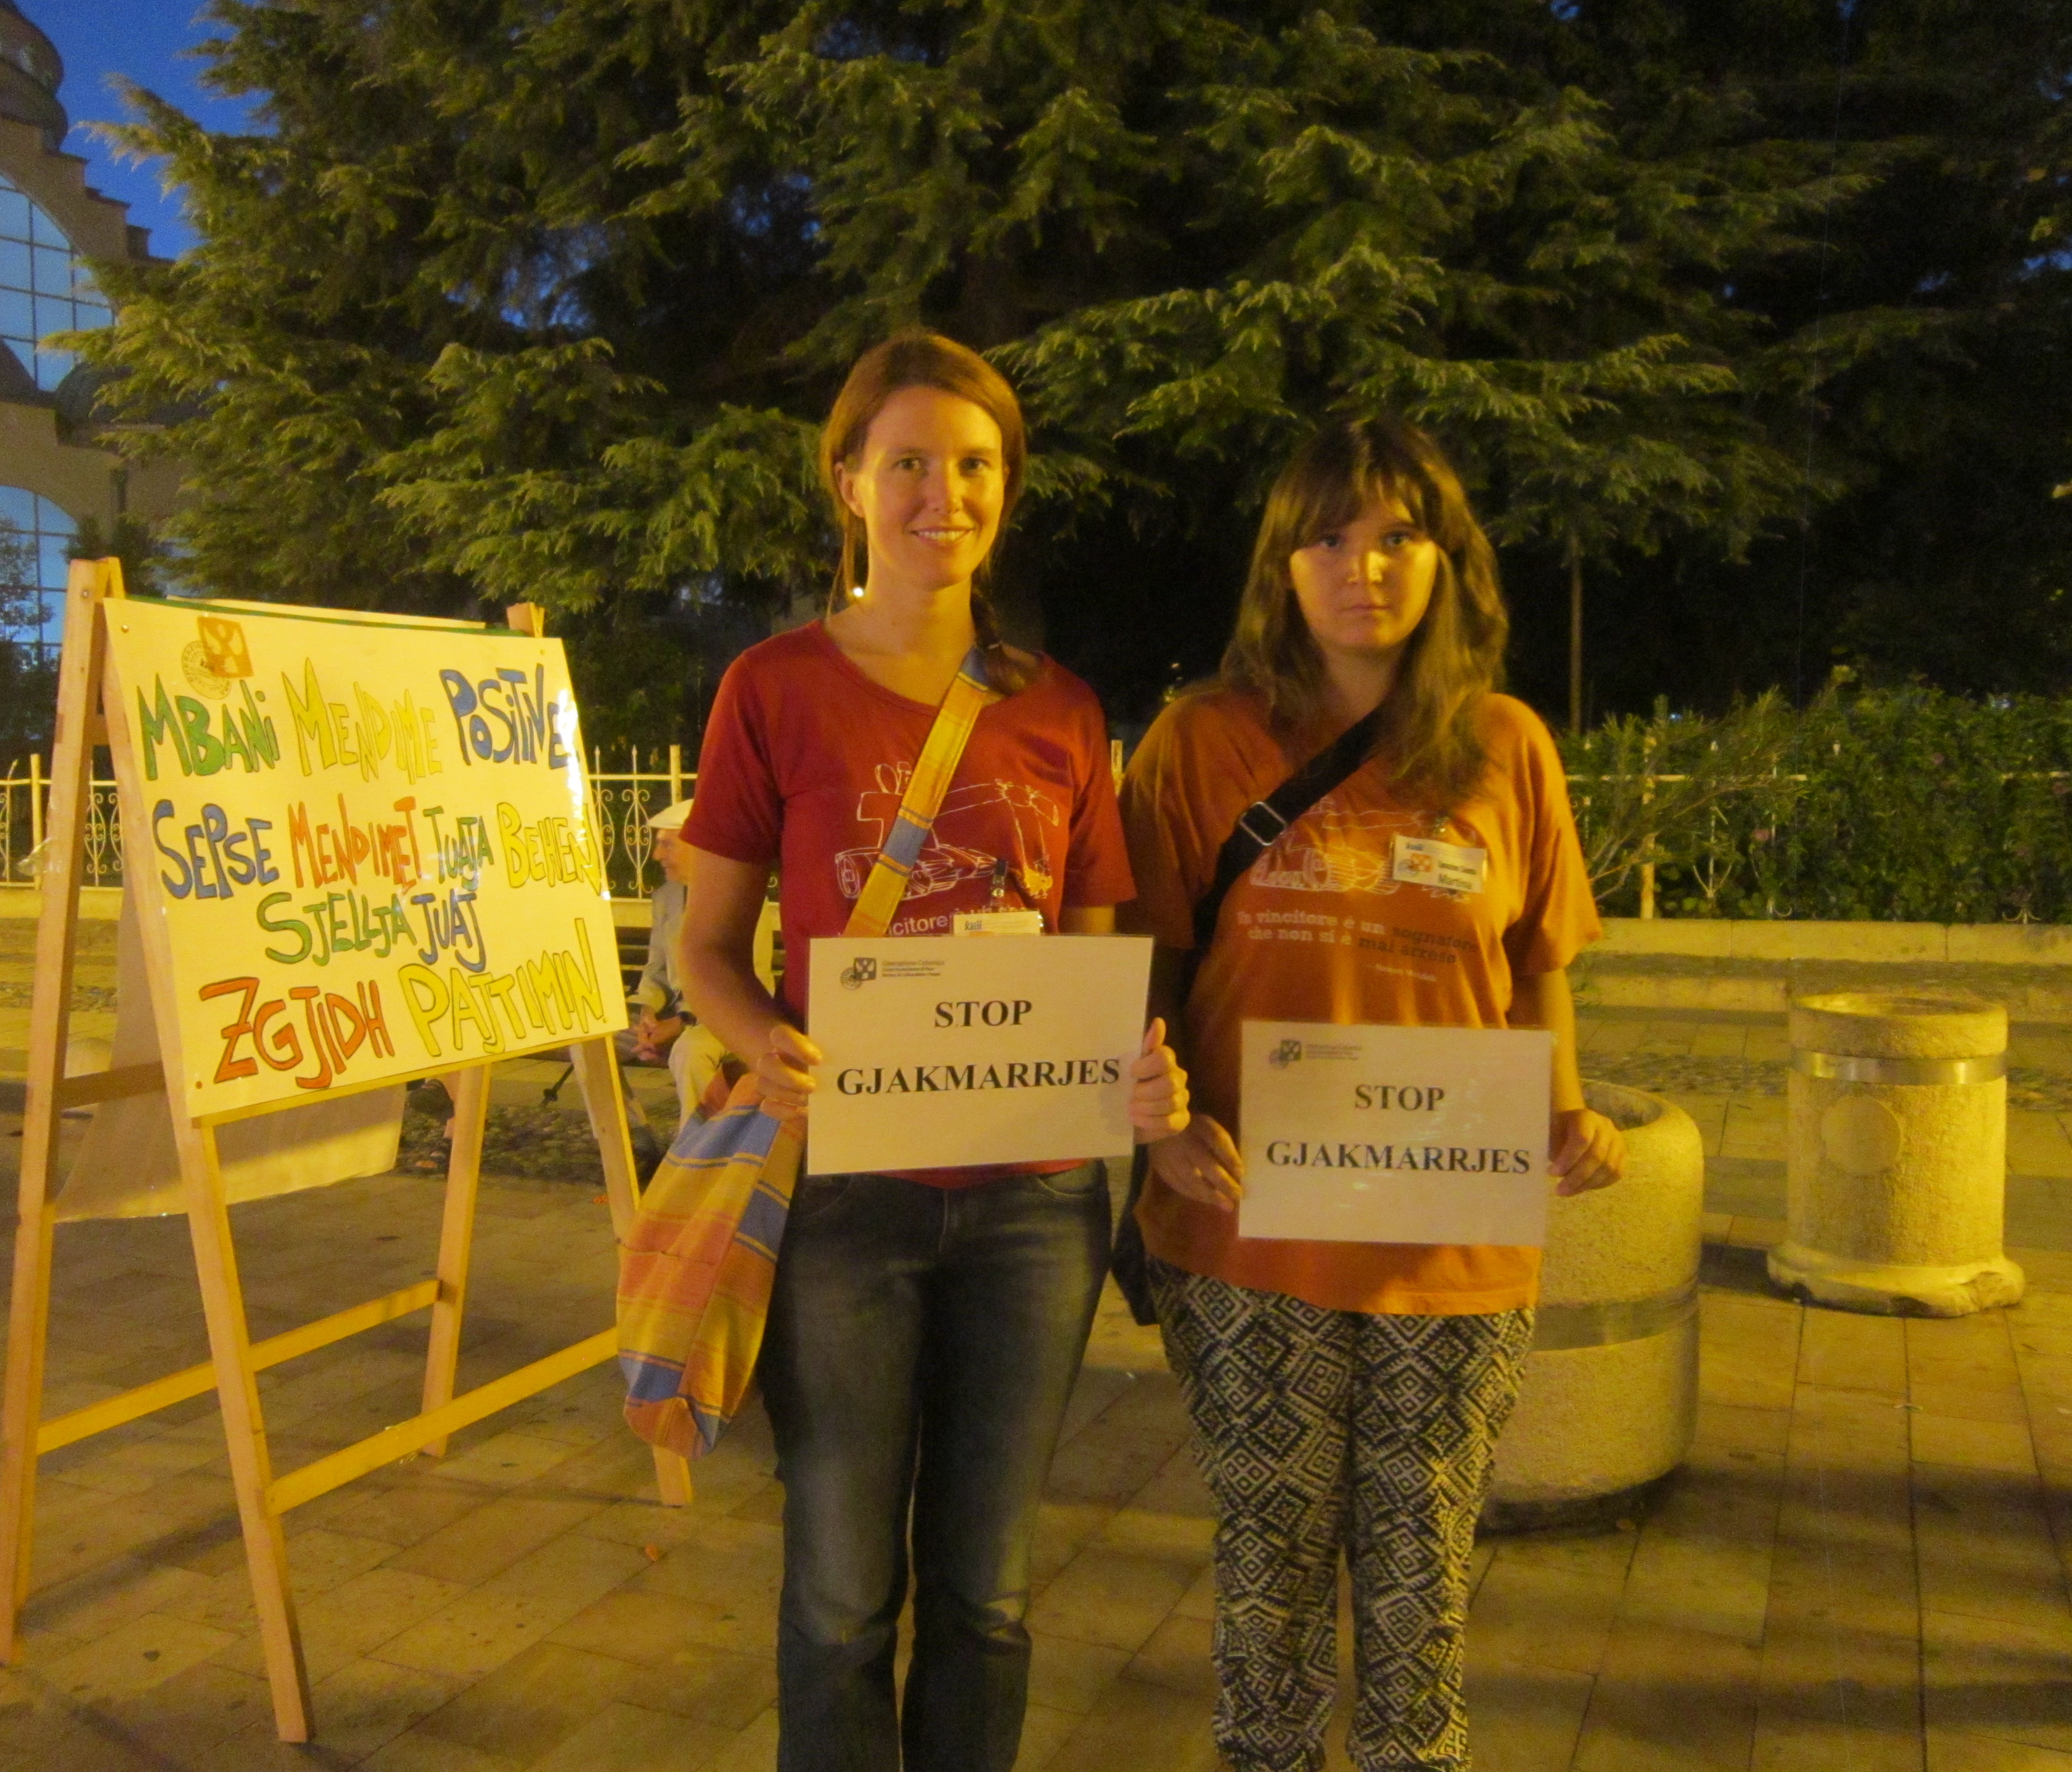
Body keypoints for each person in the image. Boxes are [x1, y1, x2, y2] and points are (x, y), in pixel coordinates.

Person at [676, 330, 1191, 1772]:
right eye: (906, 463)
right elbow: (702, 949)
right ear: (848, 481)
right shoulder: (773, 688)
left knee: (988, 1596)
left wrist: (1136, 1077)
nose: (940, 496)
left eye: (973, 466)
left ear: (1004, 490)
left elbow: (1090, 962)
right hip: (844, 1196)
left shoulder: (1061, 710)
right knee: (841, 1594)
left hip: (1033, 1208)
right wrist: (762, 1040)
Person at [1119, 415, 1625, 1772]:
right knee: (1268, 1578)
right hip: (1248, 1234)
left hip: (1445, 1243)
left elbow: (1537, 971)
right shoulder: (1200, 743)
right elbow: (1142, 966)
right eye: (1329, 538)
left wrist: (1565, 1113)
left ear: (1447, 560)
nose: (1365, 567)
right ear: (1281, 565)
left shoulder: (1507, 746)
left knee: (1421, 1585)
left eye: (1400, 535)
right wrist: (1160, 1130)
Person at [630, 799, 729, 1119]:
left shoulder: (735, 895)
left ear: (698, 848)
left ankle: (699, 1143)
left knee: (690, 1052)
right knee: (594, 1040)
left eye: (667, 845)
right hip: (673, 1016)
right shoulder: (667, 896)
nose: (657, 855)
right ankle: (635, 1135)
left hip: (724, 1019)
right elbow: (656, 968)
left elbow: (738, 983)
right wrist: (647, 1013)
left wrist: (680, 1022)